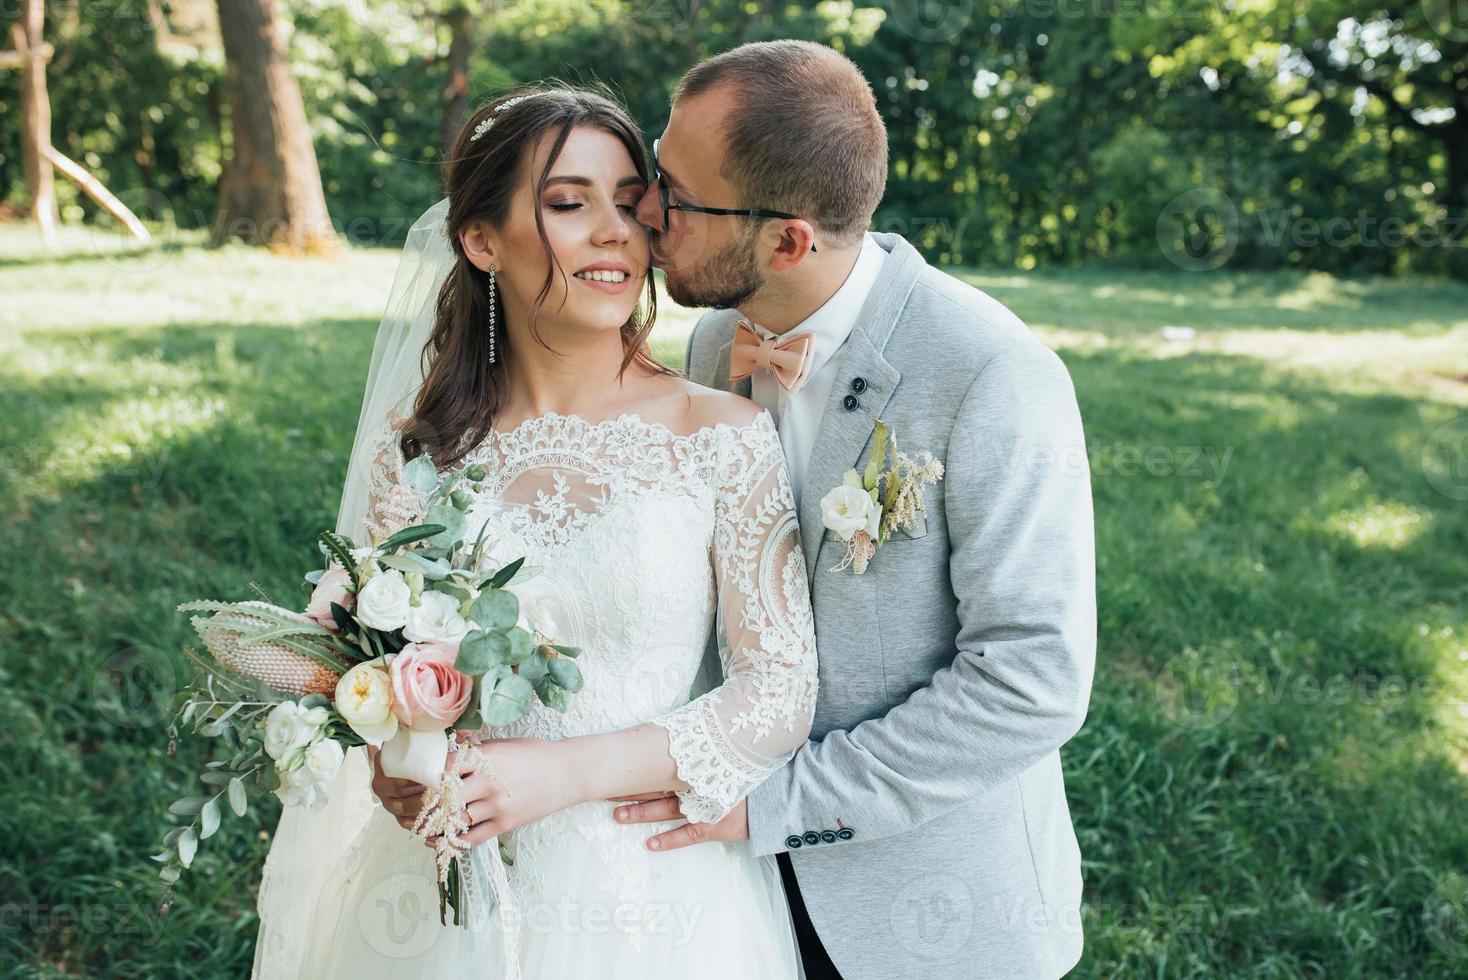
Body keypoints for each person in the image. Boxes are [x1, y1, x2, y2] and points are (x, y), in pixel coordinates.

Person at [249, 85, 817, 979]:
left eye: (632, 202)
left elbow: (780, 691)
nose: (615, 232)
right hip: (444, 889)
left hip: (651, 892)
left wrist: (568, 775)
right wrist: (395, 764)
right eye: (567, 203)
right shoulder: (420, 453)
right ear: (481, 241)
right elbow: (361, 661)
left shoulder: (721, 436)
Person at [612, 40, 1097, 980]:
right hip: (732, 899)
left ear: (788, 240)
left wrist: (777, 804)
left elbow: (1031, 677)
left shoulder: (995, 375)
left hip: (931, 913)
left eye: (674, 193)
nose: (643, 210)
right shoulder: (716, 341)